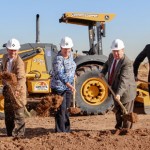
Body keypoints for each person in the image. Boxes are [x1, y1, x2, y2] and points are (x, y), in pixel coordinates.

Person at [99, 39, 137, 130]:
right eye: (114, 51)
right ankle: (118, 128)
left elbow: (124, 81)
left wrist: (119, 93)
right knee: (118, 111)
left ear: (123, 50)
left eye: (118, 51)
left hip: (126, 92)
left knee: (126, 113)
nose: (116, 53)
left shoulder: (126, 63)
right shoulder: (111, 56)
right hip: (114, 89)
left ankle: (126, 131)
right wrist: (102, 72)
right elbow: (107, 65)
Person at [0, 38, 27, 137]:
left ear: (18, 50)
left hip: (18, 90)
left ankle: (20, 135)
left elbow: (21, 78)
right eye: (11, 50)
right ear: (7, 49)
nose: (13, 52)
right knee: (9, 113)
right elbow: (2, 70)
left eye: (15, 50)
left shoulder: (19, 62)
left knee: (19, 113)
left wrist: (17, 91)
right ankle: (9, 134)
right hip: (7, 88)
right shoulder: (4, 58)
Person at [50, 36, 76, 132]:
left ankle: (67, 130)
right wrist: (68, 84)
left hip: (68, 88)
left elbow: (72, 67)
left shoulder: (71, 55)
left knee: (66, 109)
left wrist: (74, 74)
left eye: (68, 48)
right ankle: (60, 132)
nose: (66, 50)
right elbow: (59, 73)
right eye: (64, 48)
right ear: (61, 47)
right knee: (61, 110)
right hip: (59, 88)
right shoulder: (58, 59)